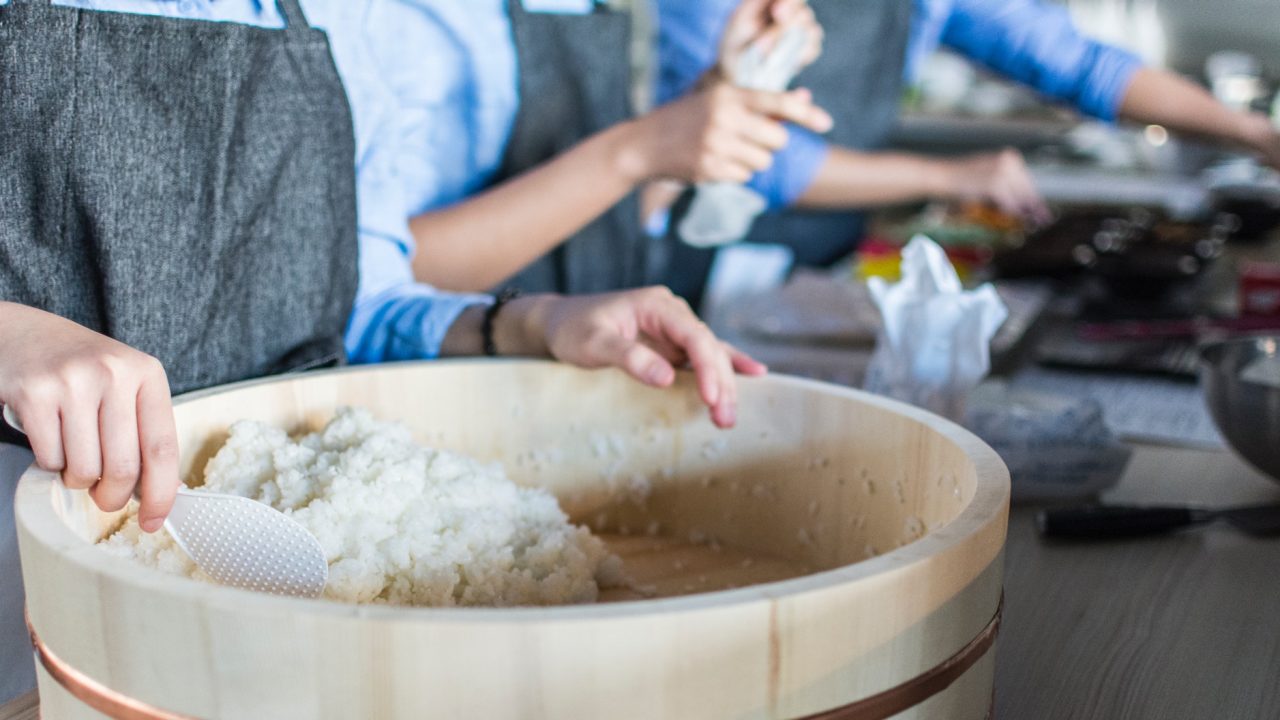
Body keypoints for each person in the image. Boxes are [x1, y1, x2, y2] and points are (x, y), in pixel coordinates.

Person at [0, 0, 763, 707]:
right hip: (37, 554)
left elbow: (361, 300)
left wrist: (532, 323)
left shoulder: (346, 18)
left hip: (274, 571)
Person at [656, 0, 1280, 304]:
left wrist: (1252, 133)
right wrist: (951, 174)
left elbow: (1077, 64)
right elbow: (761, 158)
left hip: (827, 255)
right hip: (694, 253)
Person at [354, 0, 830, 296]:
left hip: (584, 360)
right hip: (440, 384)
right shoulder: (389, 19)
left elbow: (609, 219)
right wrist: (636, 151)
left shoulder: (588, 6)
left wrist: (718, 95)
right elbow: (373, 273)